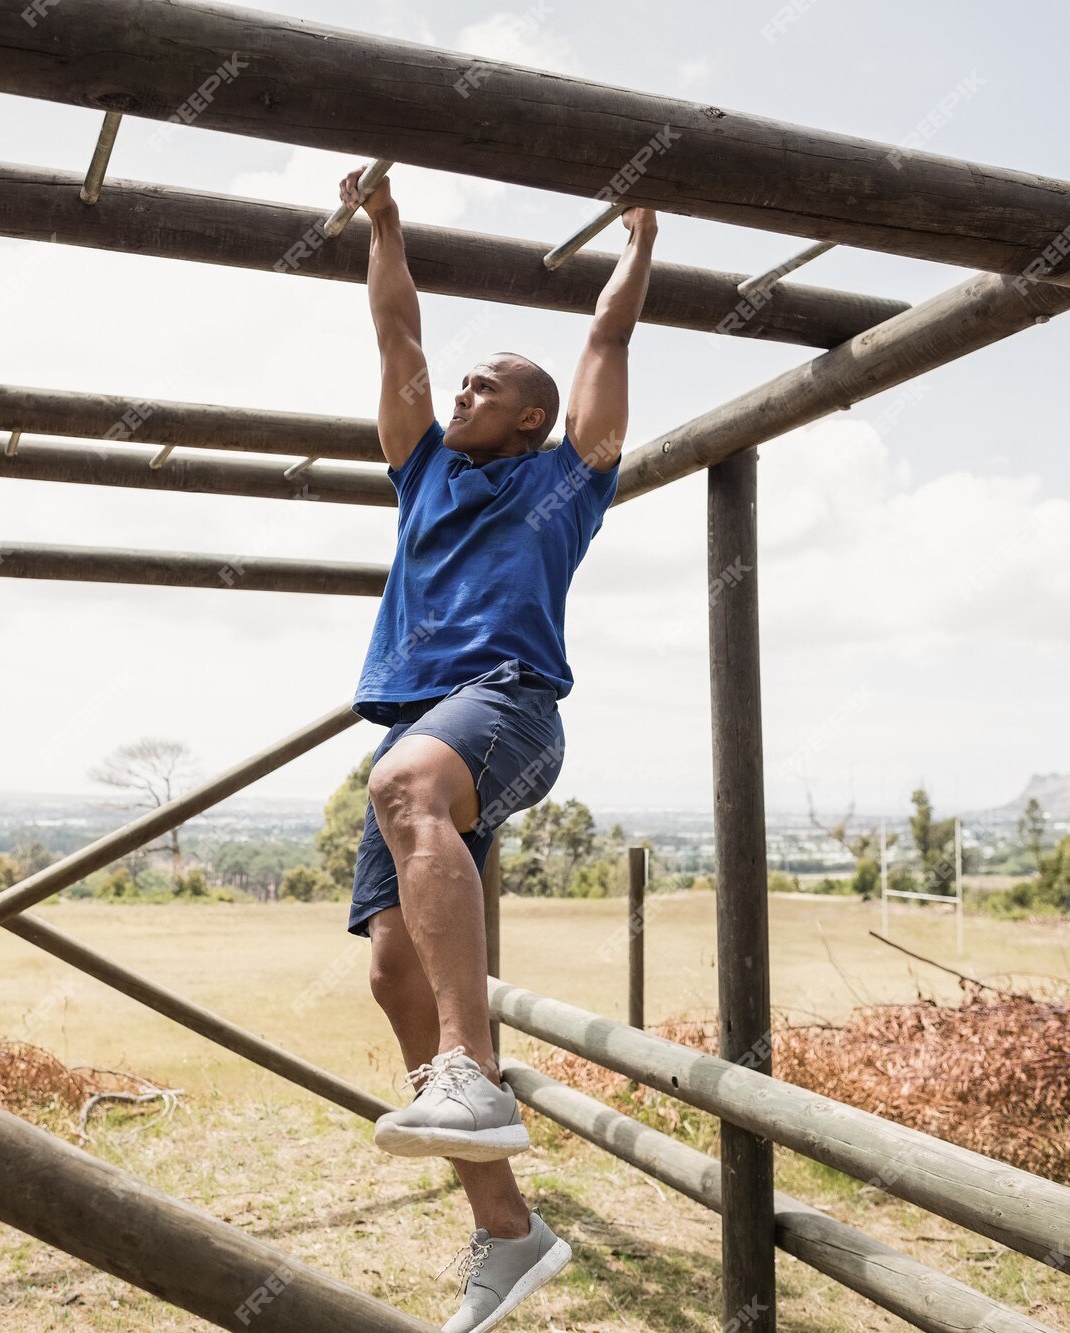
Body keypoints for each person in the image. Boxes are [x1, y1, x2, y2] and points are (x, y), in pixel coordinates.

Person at [339, 163, 656, 1333]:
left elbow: (607, 339)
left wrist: (637, 241)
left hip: (510, 710)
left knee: (407, 780)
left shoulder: (564, 480)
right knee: (388, 973)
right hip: (424, 728)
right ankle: (508, 1230)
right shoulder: (421, 470)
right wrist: (386, 224)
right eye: (464, 375)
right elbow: (395, 331)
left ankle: (473, 1074)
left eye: (493, 381)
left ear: (532, 416)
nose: (465, 384)